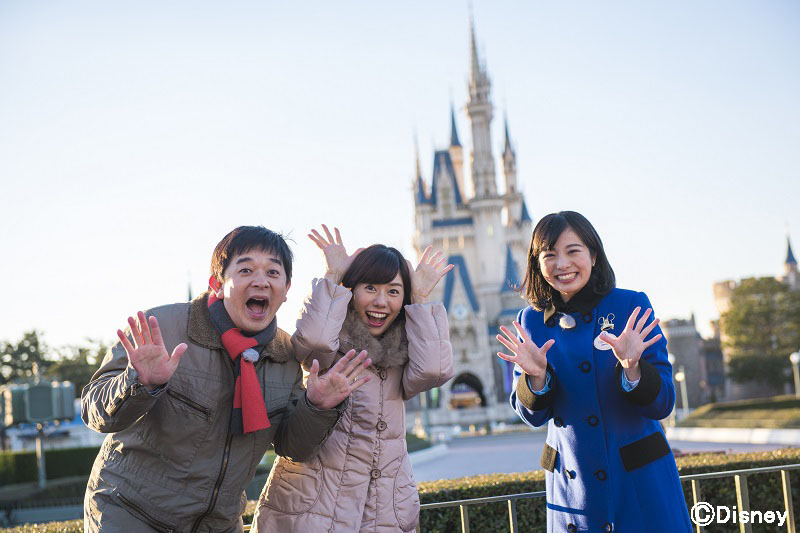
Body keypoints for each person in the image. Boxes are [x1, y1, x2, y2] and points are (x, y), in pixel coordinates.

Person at [82, 225, 371, 533]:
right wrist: (140, 384)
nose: (261, 281)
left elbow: (293, 447)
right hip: (130, 513)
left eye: (273, 273)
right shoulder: (160, 328)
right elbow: (94, 412)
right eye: (246, 270)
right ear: (217, 284)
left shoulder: (285, 356)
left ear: (286, 290)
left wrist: (317, 407)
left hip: (218, 524)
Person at [497, 211, 691, 532]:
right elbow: (531, 416)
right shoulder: (530, 321)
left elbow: (664, 403)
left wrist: (632, 368)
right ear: (537, 263)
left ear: (593, 255)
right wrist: (536, 378)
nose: (562, 264)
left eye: (573, 251)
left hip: (638, 484)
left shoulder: (630, 306)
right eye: (549, 255)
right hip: (573, 491)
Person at [252, 225, 455, 532]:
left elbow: (434, 370)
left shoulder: (403, 352)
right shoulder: (333, 343)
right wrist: (334, 276)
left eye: (393, 291)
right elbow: (313, 341)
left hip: (381, 511)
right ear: (352, 291)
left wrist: (421, 297)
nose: (381, 301)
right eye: (370, 288)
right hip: (314, 507)